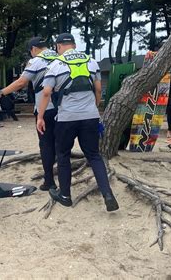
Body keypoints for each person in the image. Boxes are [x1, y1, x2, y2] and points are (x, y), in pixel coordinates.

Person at [36, 33, 119, 212]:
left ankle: (65, 195)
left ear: (58, 47)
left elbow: (46, 92)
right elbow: (98, 89)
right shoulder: (91, 61)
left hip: (66, 118)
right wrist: (94, 108)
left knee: (63, 154)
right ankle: (108, 194)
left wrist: (40, 117)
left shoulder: (56, 65)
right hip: (90, 116)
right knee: (94, 155)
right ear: (73, 45)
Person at [0, 37, 58, 191]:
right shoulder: (60, 57)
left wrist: (0, 93)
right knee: (60, 144)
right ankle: (64, 180)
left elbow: (21, 82)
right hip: (64, 108)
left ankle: (49, 181)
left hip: (44, 109)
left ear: (33, 49)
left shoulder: (36, 61)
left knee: (46, 145)